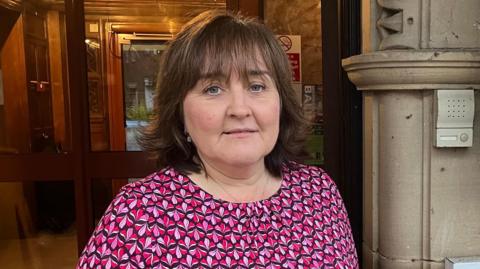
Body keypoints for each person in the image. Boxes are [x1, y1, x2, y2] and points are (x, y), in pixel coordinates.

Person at [77, 10, 358, 268]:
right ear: (179, 111)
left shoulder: (319, 193)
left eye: (257, 86)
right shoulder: (137, 215)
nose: (239, 109)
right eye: (212, 89)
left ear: (281, 102)